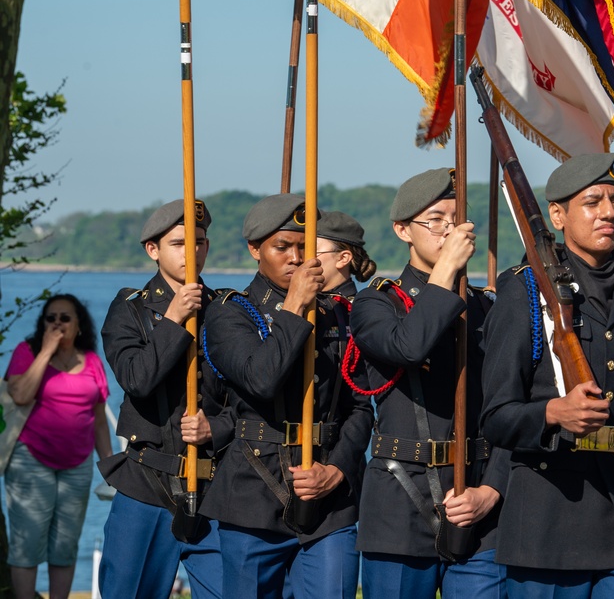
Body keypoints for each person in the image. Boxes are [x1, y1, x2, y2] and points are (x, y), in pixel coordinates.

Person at [480, 153, 614, 598]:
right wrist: (552, 412)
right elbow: (496, 417)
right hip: (547, 522)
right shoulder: (525, 290)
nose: (608, 212)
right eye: (593, 201)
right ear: (558, 216)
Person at [201, 194, 374, 598]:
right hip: (252, 496)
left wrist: (339, 469)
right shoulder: (231, 312)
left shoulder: (339, 312)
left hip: (329, 496)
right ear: (254, 250)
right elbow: (261, 379)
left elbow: (360, 404)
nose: (296, 258)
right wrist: (295, 306)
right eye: (282, 247)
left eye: (304, 247)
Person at [350, 168, 507, 599]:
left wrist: (492, 490)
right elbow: (408, 347)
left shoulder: (487, 306)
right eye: (435, 220)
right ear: (403, 230)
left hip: (477, 496)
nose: (449, 230)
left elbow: (513, 404)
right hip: (400, 501)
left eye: (457, 219)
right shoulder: (375, 301)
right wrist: (448, 271)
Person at [98, 199, 226, 598]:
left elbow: (251, 394)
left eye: (201, 242)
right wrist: (173, 319)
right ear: (153, 250)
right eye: (180, 243)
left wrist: (216, 427)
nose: (194, 252)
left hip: (217, 488)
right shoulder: (130, 310)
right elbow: (137, 379)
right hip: (147, 484)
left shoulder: (226, 308)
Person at [3, 294, 113, 599]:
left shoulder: (91, 360)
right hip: (30, 460)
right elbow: (21, 395)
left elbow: (100, 421)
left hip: (76, 465)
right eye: (50, 318)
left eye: (65, 318)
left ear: (78, 325)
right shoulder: (27, 352)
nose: (57, 323)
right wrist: (46, 352)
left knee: (65, 546)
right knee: (27, 544)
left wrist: (110, 467)